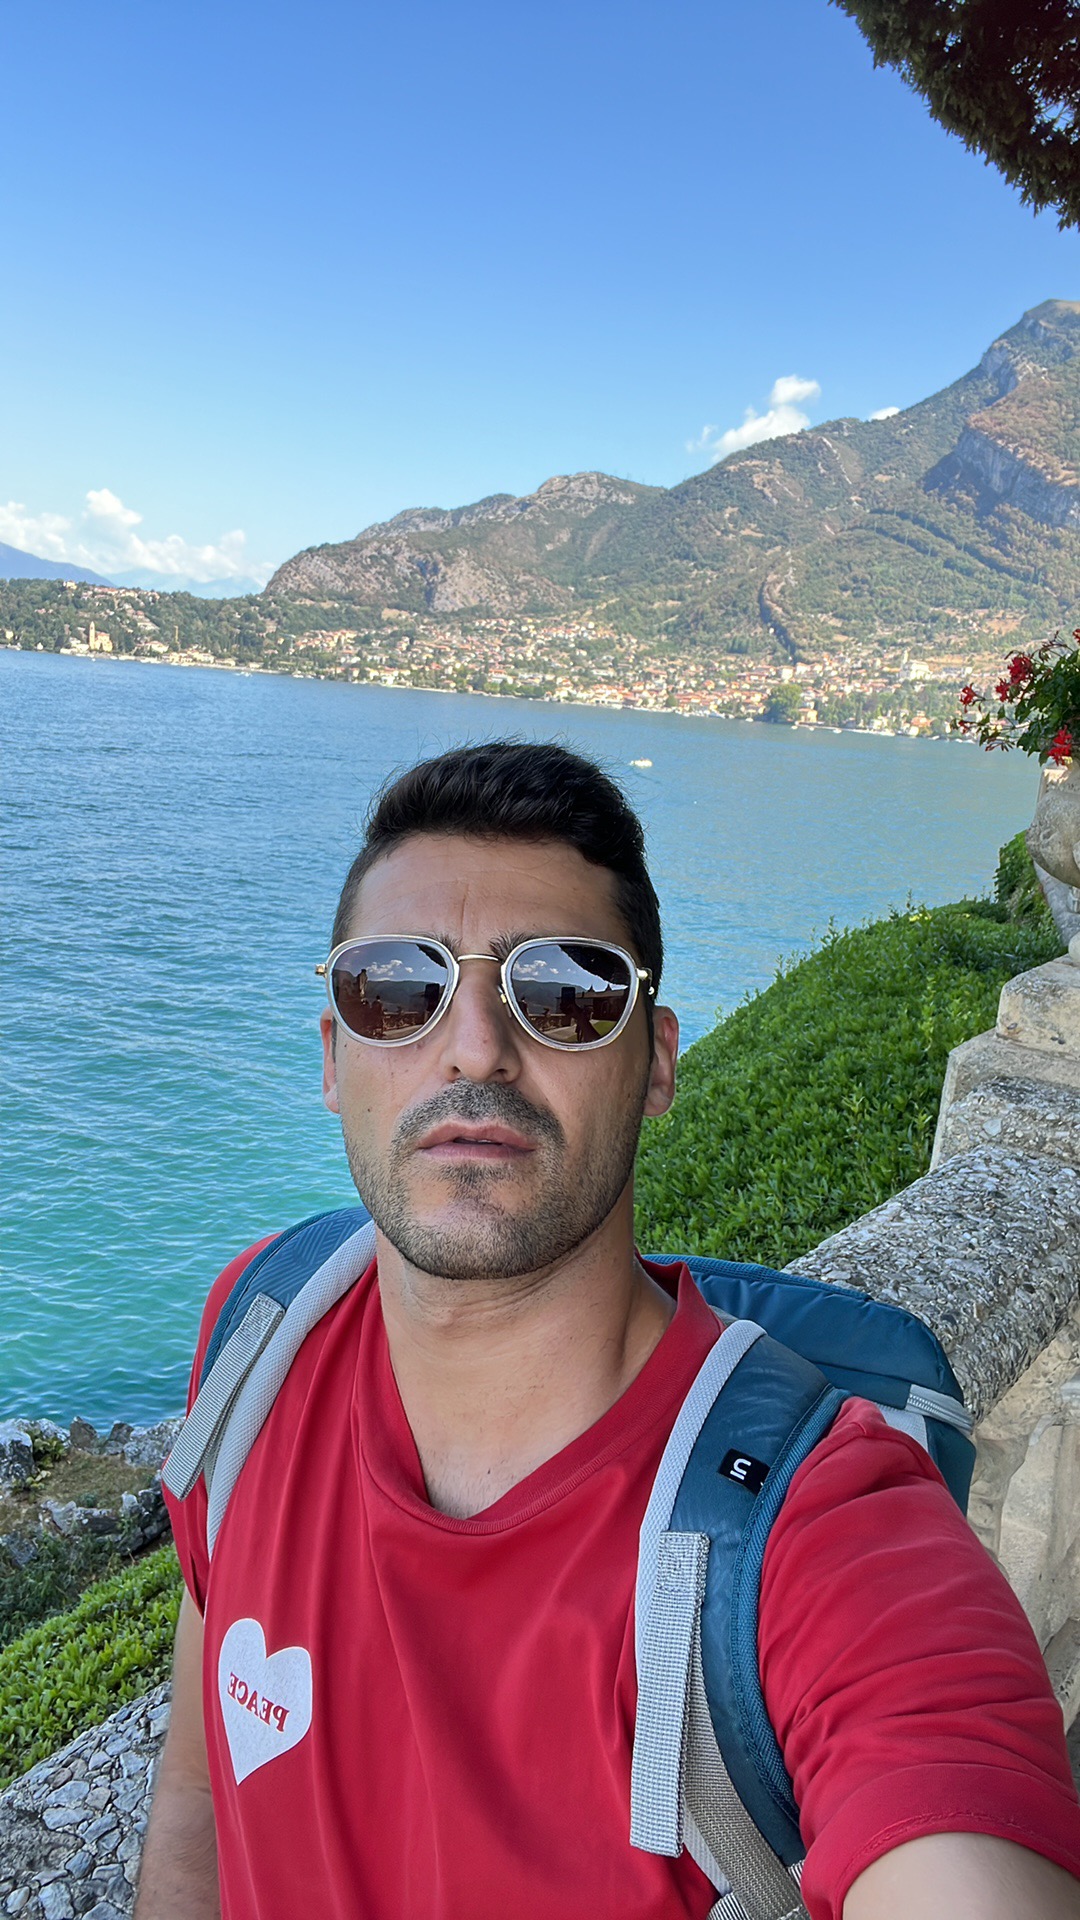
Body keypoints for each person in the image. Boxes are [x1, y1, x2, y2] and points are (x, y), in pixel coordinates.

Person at [137, 740, 1080, 1920]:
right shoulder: (264, 1335)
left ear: (657, 1064)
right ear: (336, 1058)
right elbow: (199, 1799)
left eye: (567, 994)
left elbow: (946, 1798)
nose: (474, 1048)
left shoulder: (816, 1530)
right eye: (397, 989)